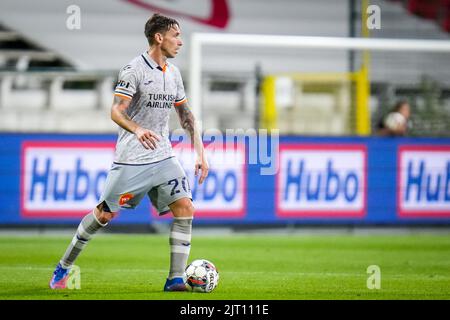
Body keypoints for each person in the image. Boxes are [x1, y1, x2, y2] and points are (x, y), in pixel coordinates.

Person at [49, 13, 209, 292]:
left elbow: (186, 116)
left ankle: (174, 279)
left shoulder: (173, 74)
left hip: (164, 156)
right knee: (103, 215)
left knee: (185, 208)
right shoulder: (133, 70)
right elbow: (115, 110)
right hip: (132, 159)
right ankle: (64, 266)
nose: (180, 42)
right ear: (159, 38)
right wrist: (136, 129)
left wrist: (201, 153)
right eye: (176, 36)